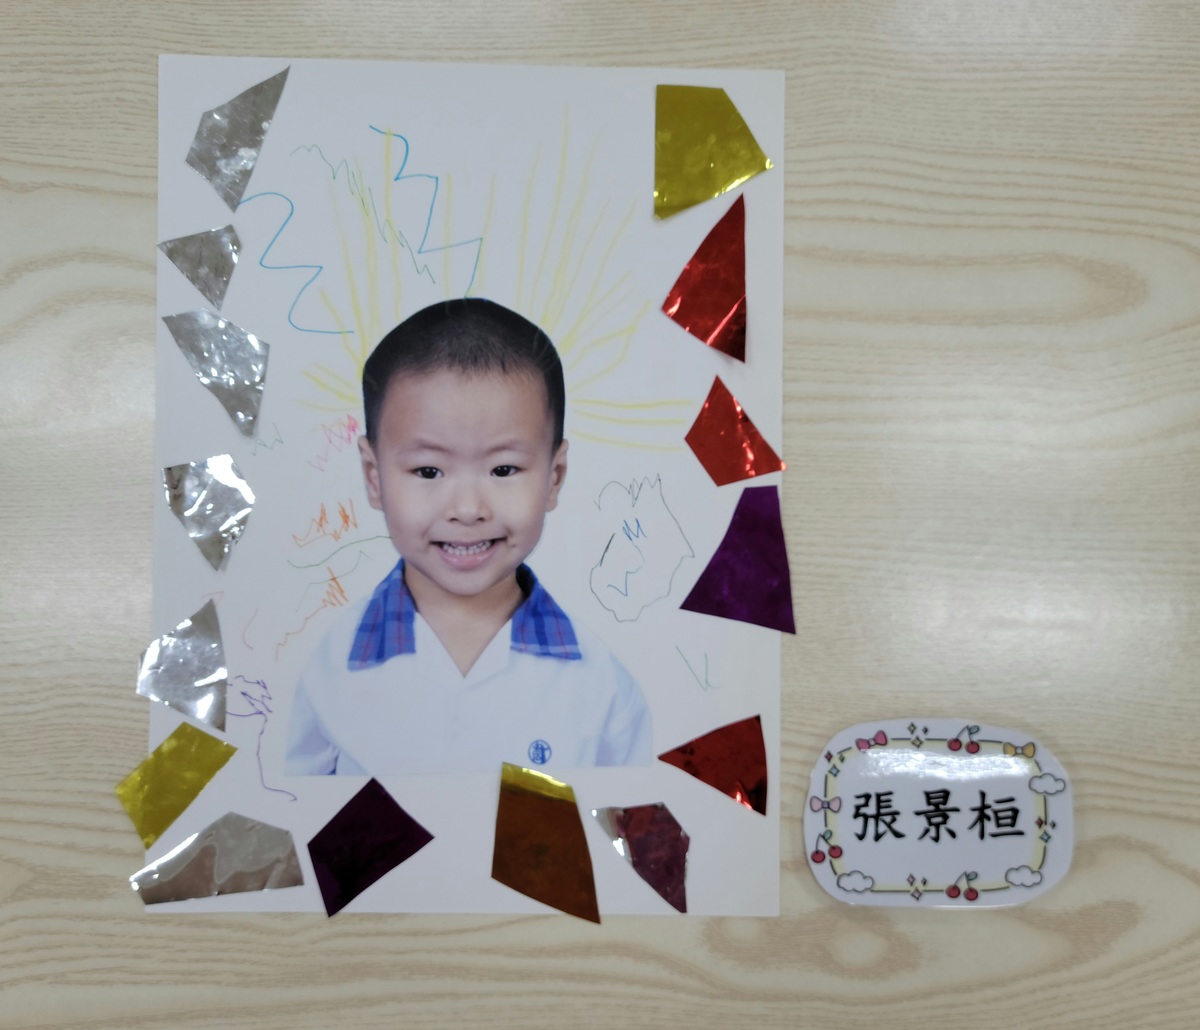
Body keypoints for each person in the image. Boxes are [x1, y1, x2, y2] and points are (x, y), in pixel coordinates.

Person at [285, 298, 652, 775]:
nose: (467, 509)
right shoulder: (326, 671)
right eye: (428, 471)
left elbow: (629, 819)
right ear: (374, 477)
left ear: (554, 476)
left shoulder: (604, 688)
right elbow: (289, 810)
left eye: (503, 469)